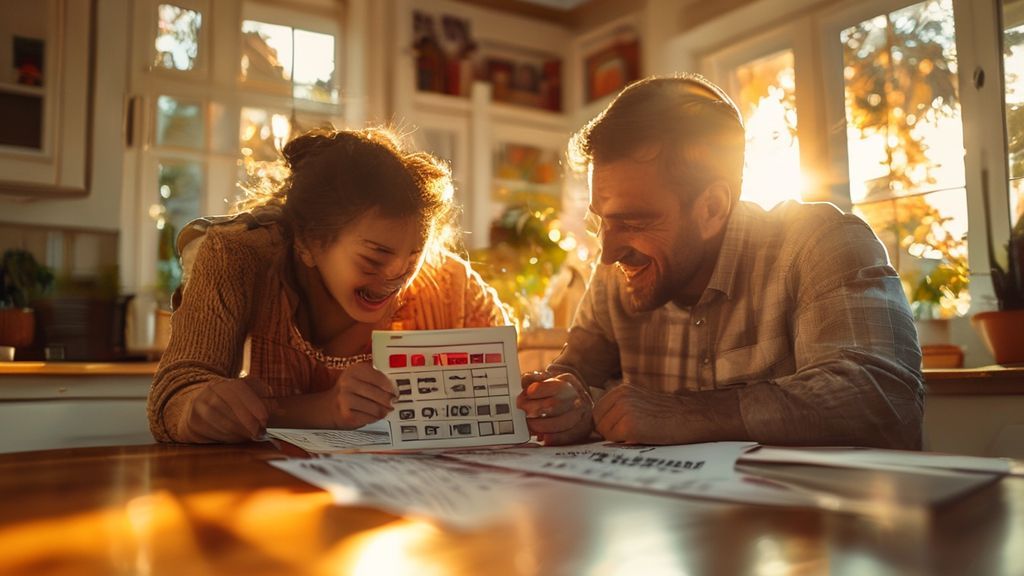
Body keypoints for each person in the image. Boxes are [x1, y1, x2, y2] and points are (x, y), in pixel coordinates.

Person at [517, 74, 923, 449]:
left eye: (634, 221)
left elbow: (884, 397)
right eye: (600, 221)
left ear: (711, 207)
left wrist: (683, 414)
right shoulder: (615, 276)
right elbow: (574, 376)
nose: (606, 252)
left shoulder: (821, 243)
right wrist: (562, 404)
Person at [148, 127, 509, 444]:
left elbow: (508, 384)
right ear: (308, 243)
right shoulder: (237, 257)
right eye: (374, 258)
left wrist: (544, 396)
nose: (397, 276)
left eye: (414, 255)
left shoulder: (446, 283)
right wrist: (202, 407)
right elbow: (175, 392)